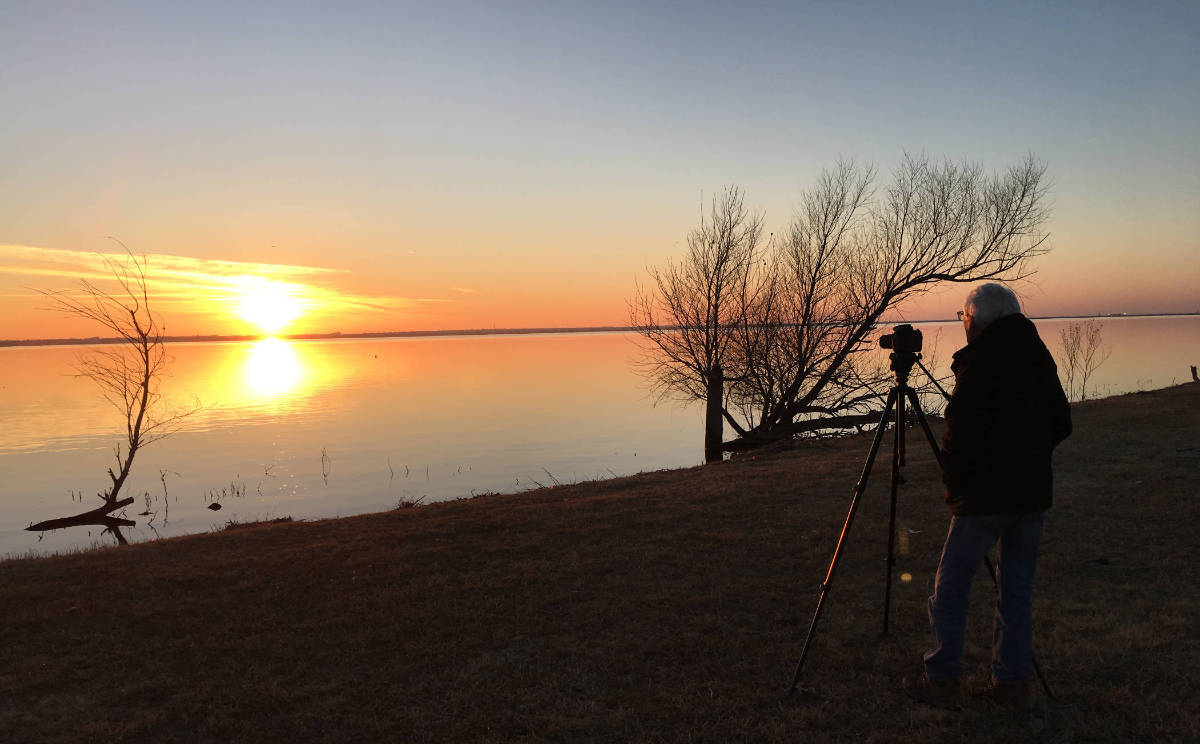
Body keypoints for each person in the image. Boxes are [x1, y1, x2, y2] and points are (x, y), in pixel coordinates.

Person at [902, 283, 1072, 709]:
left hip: (984, 499)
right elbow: (1061, 421)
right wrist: (1029, 456)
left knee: (950, 588)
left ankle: (941, 679)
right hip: (1031, 496)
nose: (963, 325)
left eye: (964, 318)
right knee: (1015, 590)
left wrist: (955, 486)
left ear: (976, 320)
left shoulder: (980, 362)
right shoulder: (1038, 356)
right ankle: (1012, 683)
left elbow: (957, 433)